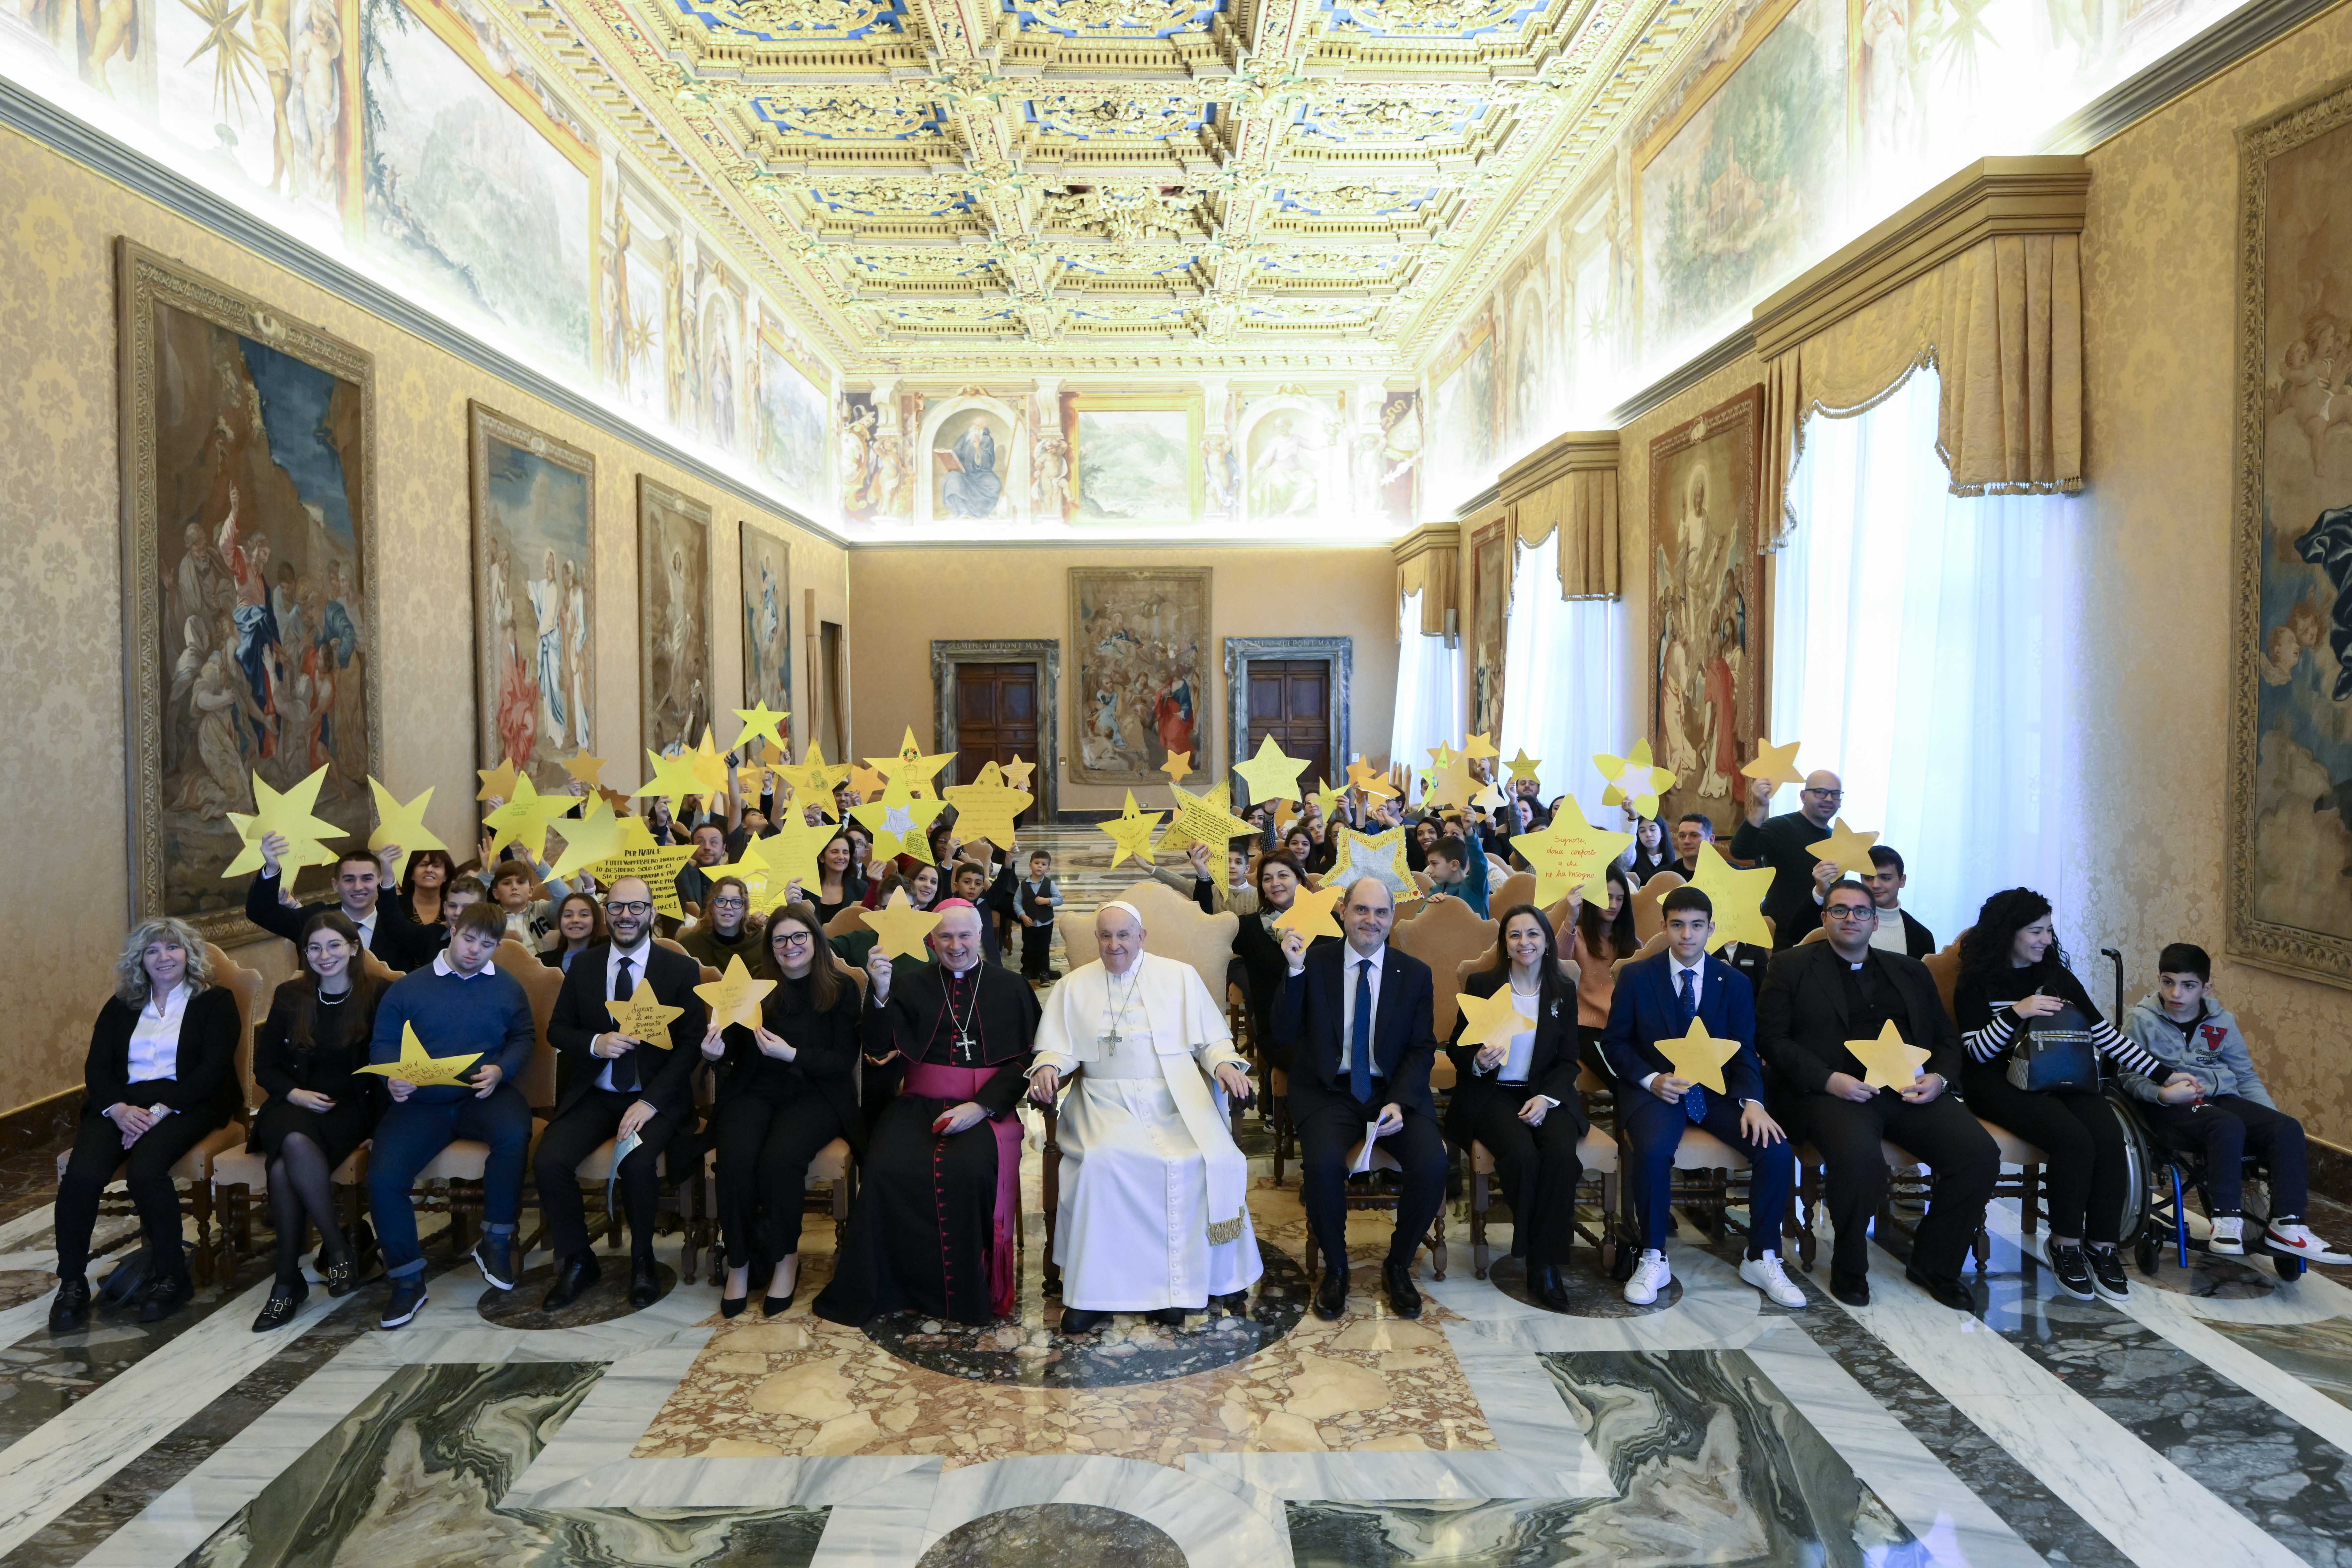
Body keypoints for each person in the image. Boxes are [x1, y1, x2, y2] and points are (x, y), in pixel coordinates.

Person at [1756, 880, 1996, 1309]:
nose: (1851, 918)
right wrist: (1828, 1079)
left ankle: (1935, 1264)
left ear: (1874, 921)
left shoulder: (1910, 971)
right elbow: (1772, 1039)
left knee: (1977, 1153)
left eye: (1861, 911)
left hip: (1908, 1090)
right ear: (1824, 917)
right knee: (1857, 1158)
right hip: (1832, 1092)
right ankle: (1850, 1266)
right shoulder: (1790, 966)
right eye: (1840, 910)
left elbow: (1945, 1037)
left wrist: (1939, 1079)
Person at [1028, 902, 1259, 1334]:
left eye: (1123, 935)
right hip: (1102, 1101)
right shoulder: (1073, 986)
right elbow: (1057, 1047)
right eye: (1105, 936)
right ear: (1096, 939)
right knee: (1100, 1163)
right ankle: (1091, 1296)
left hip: (1174, 1098)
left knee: (1191, 1161)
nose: (1114, 944)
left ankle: (1171, 1292)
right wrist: (1048, 1067)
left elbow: (1210, 1041)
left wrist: (1226, 1064)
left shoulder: (1179, 978)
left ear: (1141, 936)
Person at [1955, 889, 2189, 1303]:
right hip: (1995, 1081)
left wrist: (2166, 1074)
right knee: (2072, 1140)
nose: (2046, 940)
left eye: (2048, 930)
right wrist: (2017, 1012)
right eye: (2035, 931)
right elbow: (1976, 1052)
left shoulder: (2057, 976)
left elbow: (2104, 1036)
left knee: (2109, 1135)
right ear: (2008, 932)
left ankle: (2102, 1246)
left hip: (2060, 1072)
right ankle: (2064, 1244)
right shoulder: (1976, 980)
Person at [813, 901, 1040, 1326]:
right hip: (917, 1102)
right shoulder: (909, 983)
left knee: (969, 1168)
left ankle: (963, 1293)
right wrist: (881, 992)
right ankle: (895, 1287)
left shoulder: (1011, 988)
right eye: (945, 937)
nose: (955, 946)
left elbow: (1026, 1058)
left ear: (980, 935)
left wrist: (982, 1107)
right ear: (931, 940)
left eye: (964, 935)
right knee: (885, 1166)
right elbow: (877, 1048)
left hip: (987, 1107)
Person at [1601, 888, 1804, 1308]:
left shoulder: (1734, 983)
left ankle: (1762, 1256)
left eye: (1696, 926)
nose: (1687, 935)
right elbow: (1615, 1043)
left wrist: (1753, 1103)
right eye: (1677, 925)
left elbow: (1745, 1051)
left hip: (1718, 1093)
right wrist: (1651, 1080)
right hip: (1658, 1092)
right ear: (1663, 926)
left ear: (1711, 928)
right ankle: (1653, 1256)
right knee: (1653, 1151)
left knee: (1776, 1150)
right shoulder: (1637, 977)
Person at [50, 919, 243, 1332]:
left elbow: (212, 1070)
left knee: (145, 1171)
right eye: (152, 951)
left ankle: (172, 1277)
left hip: (189, 1102)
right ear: (139, 960)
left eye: (172, 948)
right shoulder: (121, 1005)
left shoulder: (215, 1001)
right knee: (82, 1175)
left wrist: (159, 1111)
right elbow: (97, 1066)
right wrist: (118, 1109)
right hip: (122, 1103)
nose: (163, 958)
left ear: (189, 954)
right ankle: (71, 1283)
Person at [1272, 877, 1444, 1321]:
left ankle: (1398, 1264)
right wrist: (1293, 971)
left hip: (1392, 1093)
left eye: (1381, 912)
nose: (1371, 920)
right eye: (1361, 910)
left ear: (1392, 918)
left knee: (1432, 1165)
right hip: (1329, 1091)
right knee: (1322, 1166)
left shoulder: (1415, 973)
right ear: (1344, 912)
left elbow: (1421, 1048)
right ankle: (1337, 1268)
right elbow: (1282, 1034)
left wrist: (1400, 1101)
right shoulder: (1312, 962)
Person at [2119, 943, 2350, 1264]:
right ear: (2159, 979)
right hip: (2168, 1106)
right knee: (2226, 1124)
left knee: (2286, 1127)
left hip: (2220, 1097)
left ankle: (2288, 1225)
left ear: (2206, 987)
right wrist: (2163, 1094)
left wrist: (2267, 1119)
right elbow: (2128, 1076)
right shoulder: (2141, 1020)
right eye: (2168, 982)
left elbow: (2244, 1076)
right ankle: (2226, 1219)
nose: (2176, 993)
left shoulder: (2222, 1021)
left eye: (2188, 985)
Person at [364, 902, 538, 1329]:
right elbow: (383, 1043)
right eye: (469, 939)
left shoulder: (507, 987)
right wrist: (391, 1078)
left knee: (516, 1133)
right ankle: (407, 1280)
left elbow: (524, 1036)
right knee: (383, 1177)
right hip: (422, 1101)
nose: (475, 950)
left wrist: (502, 1070)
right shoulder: (409, 988)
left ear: (498, 946)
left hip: (484, 1095)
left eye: (487, 944)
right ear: (453, 930)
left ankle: (496, 1239)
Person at [534, 877, 705, 1310]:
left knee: (637, 1163)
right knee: (550, 1160)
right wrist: (596, 1043)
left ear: (652, 912)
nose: (625, 915)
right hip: (596, 1094)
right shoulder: (584, 966)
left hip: (654, 1098)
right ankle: (578, 1259)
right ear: (605, 913)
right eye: (616, 907)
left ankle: (643, 1260)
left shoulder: (679, 969)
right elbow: (558, 1030)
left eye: (635, 907)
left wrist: (650, 1103)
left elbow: (691, 1045)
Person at [703, 902, 864, 1316]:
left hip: (817, 1093)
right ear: (770, 947)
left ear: (815, 939)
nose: (790, 946)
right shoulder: (756, 987)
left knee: (780, 1159)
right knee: (735, 1159)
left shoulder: (841, 988)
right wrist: (715, 1052)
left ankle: (785, 1259)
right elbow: (735, 1049)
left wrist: (792, 1054)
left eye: (798, 937)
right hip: (756, 1089)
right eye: (780, 940)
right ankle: (739, 1262)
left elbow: (841, 1062)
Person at [247, 912, 383, 1330]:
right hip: (291, 1104)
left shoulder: (380, 994)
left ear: (354, 947)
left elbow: (390, 1067)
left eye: (334, 945)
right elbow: (265, 1066)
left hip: (350, 1110)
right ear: (305, 953)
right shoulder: (291, 995)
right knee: (292, 1139)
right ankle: (338, 1248)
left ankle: (287, 1282)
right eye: (315, 948)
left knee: (284, 1167)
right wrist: (295, 1094)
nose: (325, 956)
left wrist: (382, 1127)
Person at [1446, 906, 1586, 1310]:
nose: (1524, 942)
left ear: (1547, 942)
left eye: (1533, 934)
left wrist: (1546, 1099)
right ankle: (1542, 1264)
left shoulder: (1563, 990)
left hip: (1545, 1094)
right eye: (1515, 935)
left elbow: (1568, 1060)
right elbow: (1456, 1047)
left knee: (1561, 1156)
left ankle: (1542, 1260)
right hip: (1493, 1094)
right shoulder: (1483, 984)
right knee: (1522, 1157)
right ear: (1504, 944)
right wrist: (1477, 1060)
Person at [246, 835, 426, 970]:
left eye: (367, 879)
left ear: (379, 882)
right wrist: (272, 868)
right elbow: (261, 913)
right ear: (335, 885)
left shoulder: (397, 926)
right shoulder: (315, 918)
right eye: (349, 880)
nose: (358, 887)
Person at [1729, 772, 1842, 946]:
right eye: (1820, 792)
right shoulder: (1781, 826)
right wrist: (1760, 807)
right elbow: (1740, 851)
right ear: (1803, 796)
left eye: (1835, 794)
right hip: (1780, 935)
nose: (1829, 799)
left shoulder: (1838, 840)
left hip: (1825, 935)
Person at [1232, 851, 1319, 1054]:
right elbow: (1208, 928)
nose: (1275, 883)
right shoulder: (1248, 927)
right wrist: (1203, 877)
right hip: (1276, 1030)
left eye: (1283, 876)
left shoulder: (1328, 922)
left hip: (1320, 1026)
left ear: (1299, 879)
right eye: (1267, 879)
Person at [1565, 864, 1636, 1082]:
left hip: (1624, 1025)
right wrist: (1570, 919)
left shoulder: (1630, 941)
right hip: (1586, 1027)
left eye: (1620, 899)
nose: (1614, 905)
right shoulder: (1576, 936)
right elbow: (1557, 965)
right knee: (1620, 1081)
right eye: (1608, 898)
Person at [1861, 847, 1935, 957]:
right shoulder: (1845, 922)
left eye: (1885, 878)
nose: (1876, 885)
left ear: (1902, 881)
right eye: (1868, 878)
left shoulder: (1922, 936)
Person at [680, 876, 761, 970]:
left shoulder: (762, 945)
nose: (728, 907)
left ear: (745, 909)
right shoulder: (689, 946)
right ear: (711, 907)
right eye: (721, 901)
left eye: (736, 902)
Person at [1016, 848, 1063, 982]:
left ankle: (1044, 972)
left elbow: (1060, 899)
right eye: (1037, 863)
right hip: (1029, 923)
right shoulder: (1024, 885)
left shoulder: (1050, 884)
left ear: (1048, 869)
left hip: (1046, 923)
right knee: (1028, 948)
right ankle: (1027, 971)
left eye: (1044, 864)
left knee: (1044, 948)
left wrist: (1047, 901)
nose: (1040, 866)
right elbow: (1017, 902)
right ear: (1030, 865)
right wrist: (1023, 916)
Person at [1423, 834, 1491, 917]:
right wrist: (1429, 907)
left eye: (1434, 864)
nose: (1429, 870)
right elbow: (1418, 920)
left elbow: (1479, 862)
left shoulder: (1476, 886)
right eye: (1429, 864)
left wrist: (1470, 833)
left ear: (1454, 865)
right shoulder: (1435, 891)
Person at [541, 892, 605, 971]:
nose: (575, 920)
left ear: (595, 920)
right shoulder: (544, 962)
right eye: (568, 915)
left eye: (584, 915)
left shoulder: (609, 952)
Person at [810, 830, 863, 923]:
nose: (841, 857)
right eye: (835, 852)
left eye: (846, 853)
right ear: (822, 857)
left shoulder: (861, 888)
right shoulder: (806, 889)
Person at [676, 821, 729, 911]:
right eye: (701, 842)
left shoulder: (731, 880)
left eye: (714, 842)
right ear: (692, 847)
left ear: (723, 849)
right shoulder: (681, 876)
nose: (707, 847)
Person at [1626, 817, 1672, 885]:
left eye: (1653, 830)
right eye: (1642, 831)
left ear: (1662, 833)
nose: (1648, 835)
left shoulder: (1673, 864)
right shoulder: (1632, 862)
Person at [1669, 814, 1715, 880]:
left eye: (1694, 836)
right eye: (1682, 836)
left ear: (1711, 840)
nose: (1686, 841)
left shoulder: (1729, 872)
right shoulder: (1664, 875)